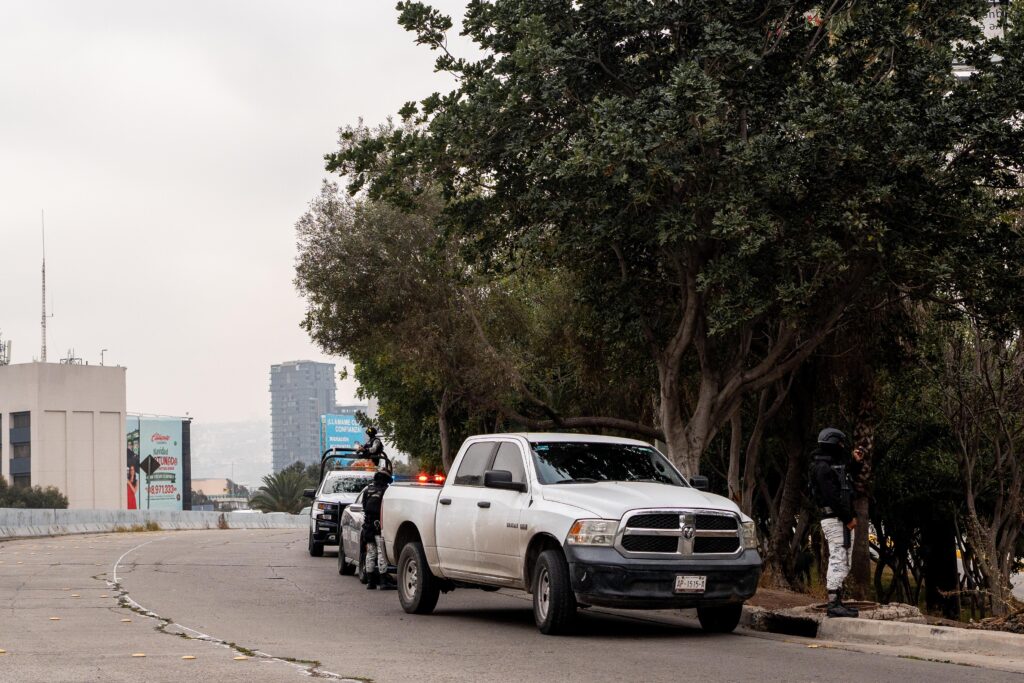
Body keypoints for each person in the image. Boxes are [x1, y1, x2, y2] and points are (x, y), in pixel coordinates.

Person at [810, 427, 864, 618]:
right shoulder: (822, 468)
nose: (843, 447)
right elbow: (832, 496)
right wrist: (848, 518)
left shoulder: (830, 465)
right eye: (840, 444)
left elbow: (843, 478)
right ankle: (833, 604)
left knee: (844, 559)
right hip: (835, 519)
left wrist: (855, 463)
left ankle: (837, 601)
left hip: (838, 518)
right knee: (838, 558)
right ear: (833, 444)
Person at [361, 469, 393, 590]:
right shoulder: (386, 491)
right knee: (381, 553)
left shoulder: (367, 490)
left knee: (370, 553)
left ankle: (370, 582)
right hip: (380, 527)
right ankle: (383, 582)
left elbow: (364, 506)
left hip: (368, 526)